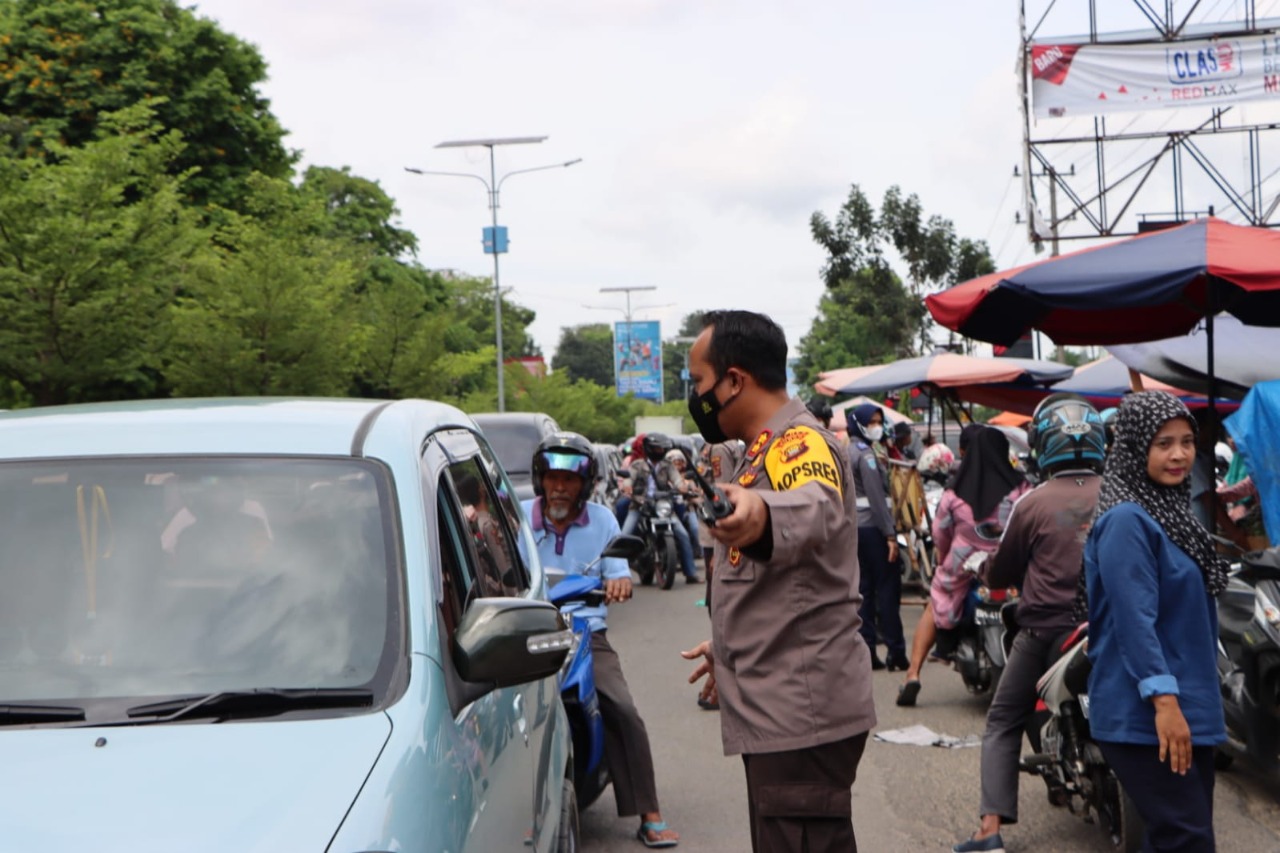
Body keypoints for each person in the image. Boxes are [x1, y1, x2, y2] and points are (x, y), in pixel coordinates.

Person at [679, 310, 875, 853]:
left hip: (801, 716)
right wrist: (728, 647)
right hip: (785, 709)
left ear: (734, 380)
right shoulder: (761, 450)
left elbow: (809, 505)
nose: (695, 398)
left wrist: (759, 512)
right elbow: (781, 586)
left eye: (699, 383)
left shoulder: (798, 446)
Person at [950, 396, 1106, 852]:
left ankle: (990, 831)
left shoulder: (1033, 504)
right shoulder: (1121, 491)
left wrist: (985, 570)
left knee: (1002, 720)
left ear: (1043, 444)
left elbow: (1004, 570)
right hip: (1109, 626)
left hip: (1044, 629)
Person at [1082, 391, 1228, 852]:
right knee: (1187, 838)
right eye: (1163, 443)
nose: (1180, 454)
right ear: (1134, 447)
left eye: (1187, 441)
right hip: (1147, 712)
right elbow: (1133, 620)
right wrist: (1164, 702)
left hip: (1188, 703)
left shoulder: (1170, 513)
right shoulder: (1127, 520)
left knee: (1177, 836)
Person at [521, 431, 681, 849]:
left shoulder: (604, 521)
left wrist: (620, 583)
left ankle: (649, 813)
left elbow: (617, 571)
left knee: (622, 708)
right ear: (540, 478)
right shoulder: (518, 519)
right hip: (525, 631)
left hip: (585, 633)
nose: (559, 486)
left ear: (585, 483)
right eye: (552, 477)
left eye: (570, 479)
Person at [898, 426, 1029, 707]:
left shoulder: (953, 495)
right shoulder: (1021, 489)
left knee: (935, 602)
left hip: (962, 568)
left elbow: (941, 536)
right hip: (1011, 566)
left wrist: (945, 561)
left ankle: (913, 674)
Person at [849, 402, 907, 671]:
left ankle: (867, 650)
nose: (876, 426)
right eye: (871, 422)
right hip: (874, 528)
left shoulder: (845, 450)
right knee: (887, 590)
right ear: (859, 424)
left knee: (865, 592)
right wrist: (890, 535)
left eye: (878, 421)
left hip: (855, 530)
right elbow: (876, 498)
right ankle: (896, 651)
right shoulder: (866, 455)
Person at [621, 433, 700, 584]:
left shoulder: (667, 466)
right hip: (640, 504)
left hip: (663, 505)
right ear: (649, 449)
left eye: (661, 448)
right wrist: (628, 487)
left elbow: (677, 480)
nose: (659, 451)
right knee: (624, 535)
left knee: (683, 534)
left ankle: (690, 573)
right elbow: (628, 479)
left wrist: (683, 487)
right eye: (656, 448)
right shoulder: (637, 465)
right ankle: (615, 575)